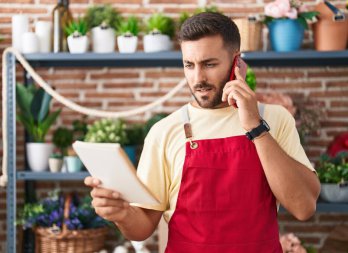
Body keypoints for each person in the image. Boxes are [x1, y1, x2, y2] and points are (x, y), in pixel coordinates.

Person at [85, 12, 320, 252]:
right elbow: (143, 226)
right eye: (189, 65)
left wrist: (256, 128)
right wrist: (122, 214)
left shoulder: (273, 118)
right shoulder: (164, 132)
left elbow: (304, 207)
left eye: (209, 64)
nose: (198, 79)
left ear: (236, 63)